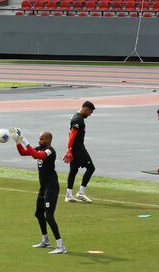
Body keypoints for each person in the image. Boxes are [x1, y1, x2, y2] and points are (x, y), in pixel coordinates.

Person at [9, 127, 67, 255]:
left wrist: (24, 140)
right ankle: (45, 241)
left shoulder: (50, 151)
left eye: (41, 138)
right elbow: (24, 153)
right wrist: (17, 142)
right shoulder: (40, 147)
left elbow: (36, 156)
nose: (39, 140)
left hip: (51, 187)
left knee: (49, 216)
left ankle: (60, 246)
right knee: (38, 214)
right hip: (43, 187)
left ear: (47, 140)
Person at [63, 101, 97, 203]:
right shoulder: (78, 119)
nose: (90, 115)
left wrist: (70, 149)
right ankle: (80, 192)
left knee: (73, 170)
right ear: (86, 109)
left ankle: (68, 195)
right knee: (91, 168)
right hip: (78, 149)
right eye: (90, 112)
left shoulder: (76, 116)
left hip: (75, 148)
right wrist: (68, 150)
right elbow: (72, 135)